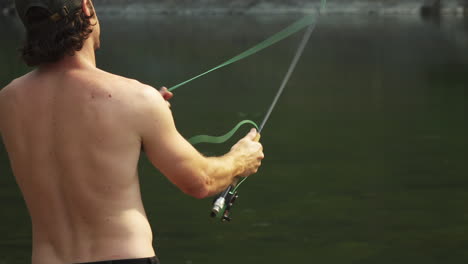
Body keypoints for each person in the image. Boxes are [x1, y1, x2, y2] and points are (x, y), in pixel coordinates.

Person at [0, 0, 264, 263]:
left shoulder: (7, 101)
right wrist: (240, 159)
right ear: (87, 8)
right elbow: (200, 181)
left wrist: (143, 115)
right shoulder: (135, 99)